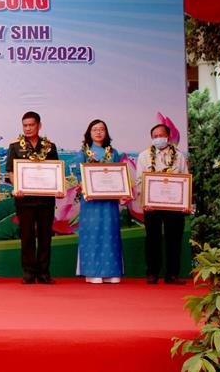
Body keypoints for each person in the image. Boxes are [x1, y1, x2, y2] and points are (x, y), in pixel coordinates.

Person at [5, 111, 62, 285]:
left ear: (39, 125)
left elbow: (55, 171)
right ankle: (29, 272)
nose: (28, 128)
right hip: (24, 200)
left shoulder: (50, 147)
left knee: (45, 237)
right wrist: (17, 187)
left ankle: (44, 273)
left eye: (31, 125)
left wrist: (58, 187)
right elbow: (11, 172)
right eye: (25, 125)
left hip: (46, 200)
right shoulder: (15, 146)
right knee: (27, 237)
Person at [136, 123, 190, 285]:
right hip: (151, 205)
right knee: (152, 239)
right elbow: (139, 181)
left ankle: (172, 274)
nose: (158, 138)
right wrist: (145, 201)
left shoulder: (179, 156)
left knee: (174, 239)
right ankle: (152, 273)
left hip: (174, 205)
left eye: (161, 135)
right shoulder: (144, 156)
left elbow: (185, 179)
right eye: (155, 136)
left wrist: (185, 203)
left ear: (168, 137)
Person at [76, 119, 124, 284]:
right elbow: (79, 176)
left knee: (110, 233)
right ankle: (92, 272)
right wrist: (86, 187)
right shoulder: (83, 153)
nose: (98, 132)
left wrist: (121, 192)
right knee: (93, 234)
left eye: (101, 129)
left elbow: (119, 175)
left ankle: (112, 272)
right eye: (95, 129)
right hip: (91, 202)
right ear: (89, 133)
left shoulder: (113, 153)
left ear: (106, 132)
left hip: (109, 202)